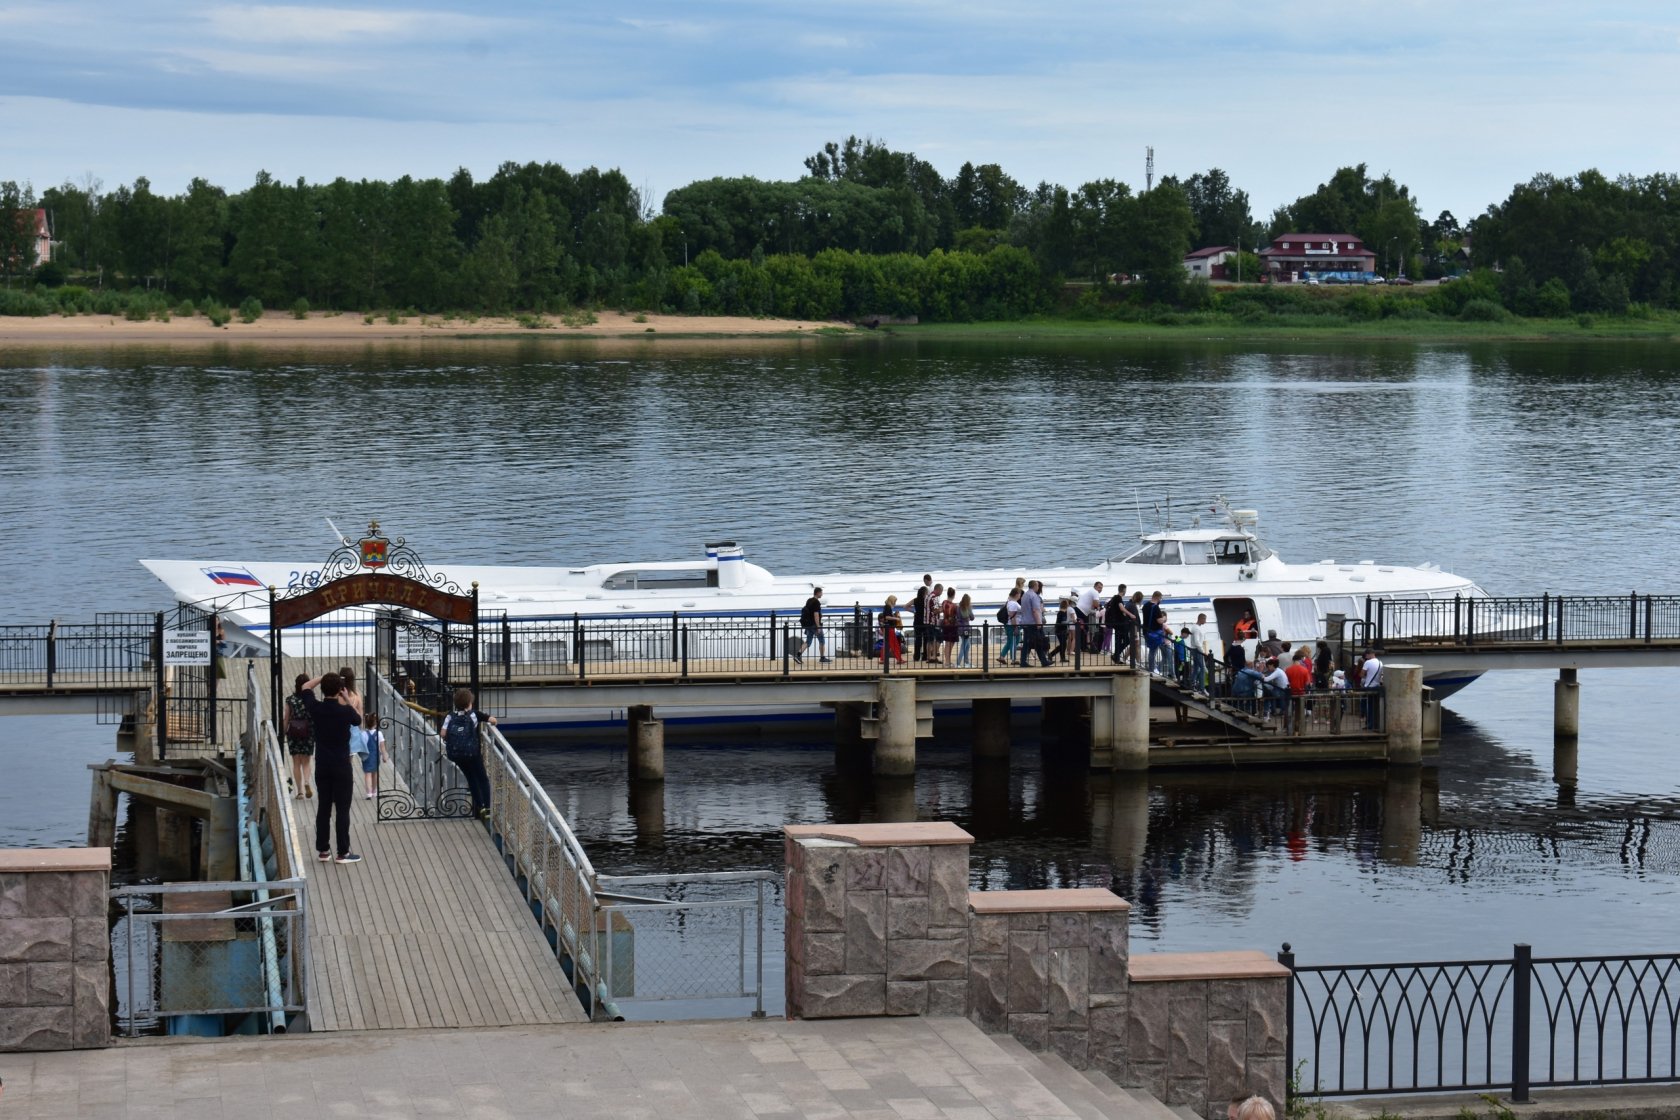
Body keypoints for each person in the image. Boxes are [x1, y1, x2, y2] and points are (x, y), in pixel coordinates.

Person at [301, 671, 363, 864]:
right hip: (342, 765)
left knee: (324, 808)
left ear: (322, 689)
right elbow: (358, 720)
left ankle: (323, 850)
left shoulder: (316, 708)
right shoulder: (345, 711)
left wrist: (323, 677)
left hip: (322, 764)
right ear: (339, 690)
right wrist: (346, 697)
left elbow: (305, 687)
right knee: (342, 809)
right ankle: (343, 852)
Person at [441, 687, 498, 820]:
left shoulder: (450, 716)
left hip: (457, 755)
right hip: (473, 754)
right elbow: (492, 720)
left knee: (471, 779)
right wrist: (494, 721)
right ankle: (488, 808)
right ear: (469, 703)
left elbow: (443, 733)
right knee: (482, 779)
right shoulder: (474, 714)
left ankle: (480, 806)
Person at [284, 673, 316, 799]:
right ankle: (307, 782)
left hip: (294, 732)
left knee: (296, 762)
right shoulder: (310, 700)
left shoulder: (290, 699)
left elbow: (286, 717)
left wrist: (283, 731)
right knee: (306, 761)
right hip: (308, 732)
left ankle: (300, 791)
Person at [1019, 580, 1050, 667]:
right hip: (1033, 623)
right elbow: (1035, 610)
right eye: (1037, 586)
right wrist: (1039, 623)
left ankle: (1042, 661)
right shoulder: (1034, 596)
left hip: (1025, 622)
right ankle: (1043, 661)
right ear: (1035, 586)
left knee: (1028, 643)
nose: (1038, 588)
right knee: (1038, 642)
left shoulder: (1024, 595)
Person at [799, 587, 830, 664]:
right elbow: (816, 615)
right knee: (822, 640)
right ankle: (822, 658)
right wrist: (818, 626)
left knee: (808, 641)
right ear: (818, 593)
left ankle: (798, 655)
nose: (822, 594)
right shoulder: (816, 602)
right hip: (814, 625)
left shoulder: (809, 600)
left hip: (808, 625)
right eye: (821, 592)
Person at [359, 710, 385, 800]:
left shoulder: (363, 734)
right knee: (375, 773)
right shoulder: (379, 733)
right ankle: (374, 790)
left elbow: (361, 746)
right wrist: (384, 756)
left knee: (367, 774)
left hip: (366, 756)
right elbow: (382, 747)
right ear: (376, 723)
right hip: (376, 756)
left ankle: (368, 792)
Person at [1285, 649, 1313, 733]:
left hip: (1291, 693)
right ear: (1300, 660)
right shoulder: (1304, 670)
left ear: (1293, 660)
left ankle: (1287, 727)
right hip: (1301, 693)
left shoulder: (1288, 669)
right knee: (1299, 711)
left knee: (1288, 710)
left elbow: (1287, 681)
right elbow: (1307, 682)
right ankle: (1298, 729)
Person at [1076, 581, 1104, 653]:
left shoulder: (1092, 591)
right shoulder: (1095, 592)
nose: (1100, 589)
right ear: (1095, 587)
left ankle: (1082, 647)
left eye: (1101, 588)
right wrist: (1100, 609)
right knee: (1083, 629)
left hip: (1081, 611)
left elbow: (1093, 604)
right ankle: (1082, 647)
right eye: (1099, 587)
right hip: (1081, 611)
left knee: (1084, 629)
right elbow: (1095, 603)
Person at [911, 574, 933, 662]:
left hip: (917, 621)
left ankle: (916, 656)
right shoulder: (926, 600)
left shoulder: (915, 600)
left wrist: (914, 611)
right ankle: (925, 656)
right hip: (925, 621)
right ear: (924, 593)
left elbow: (905, 606)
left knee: (918, 639)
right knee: (926, 639)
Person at [1361, 650, 1384, 728]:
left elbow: (1361, 674)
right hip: (1377, 686)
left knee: (1368, 706)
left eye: (1366, 655)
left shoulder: (1368, 662)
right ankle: (1374, 724)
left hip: (1369, 686)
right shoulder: (1380, 663)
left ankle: (1369, 724)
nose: (1366, 657)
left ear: (1370, 654)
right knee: (1375, 707)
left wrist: (1366, 676)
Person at [999, 587, 1023, 663]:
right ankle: (1013, 659)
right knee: (1014, 642)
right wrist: (1015, 627)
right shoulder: (1013, 604)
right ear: (1016, 594)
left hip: (1010, 625)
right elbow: (1012, 616)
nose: (1020, 596)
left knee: (1010, 642)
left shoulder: (1011, 602)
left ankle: (1002, 657)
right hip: (1012, 626)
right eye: (1020, 594)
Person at [879, 595, 904, 662]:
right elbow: (887, 617)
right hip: (890, 628)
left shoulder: (886, 607)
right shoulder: (888, 607)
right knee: (894, 644)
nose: (895, 602)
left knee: (887, 644)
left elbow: (886, 617)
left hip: (888, 628)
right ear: (892, 601)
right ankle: (899, 659)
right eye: (895, 601)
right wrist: (896, 618)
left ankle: (882, 659)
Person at [1048, 596, 1073, 663]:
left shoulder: (1062, 613)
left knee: (1063, 645)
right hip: (1061, 630)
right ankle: (1059, 657)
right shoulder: (1062, 613)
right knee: (1063, 645)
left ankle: (1053, 655)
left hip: (1061, 630)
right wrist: (1070, 621)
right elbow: (1062, 622)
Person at [939, 586, 960, 665]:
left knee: (947, 643)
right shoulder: (954, 606)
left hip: (945, 624)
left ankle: (947, 660)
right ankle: (948, 661)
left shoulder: (944, 602)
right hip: (952, 625)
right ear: (954, 595)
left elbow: (942, 611)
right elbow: (956, 615)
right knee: (950, 643)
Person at [955, 593, 975, 667]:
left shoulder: (958, 607)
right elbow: (972, 617)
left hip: (960, 628)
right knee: (964, 646)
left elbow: (958, 617)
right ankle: (958, 663)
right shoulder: (967, 607)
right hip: (966, 628)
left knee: (967, 645)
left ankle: (966, 662)